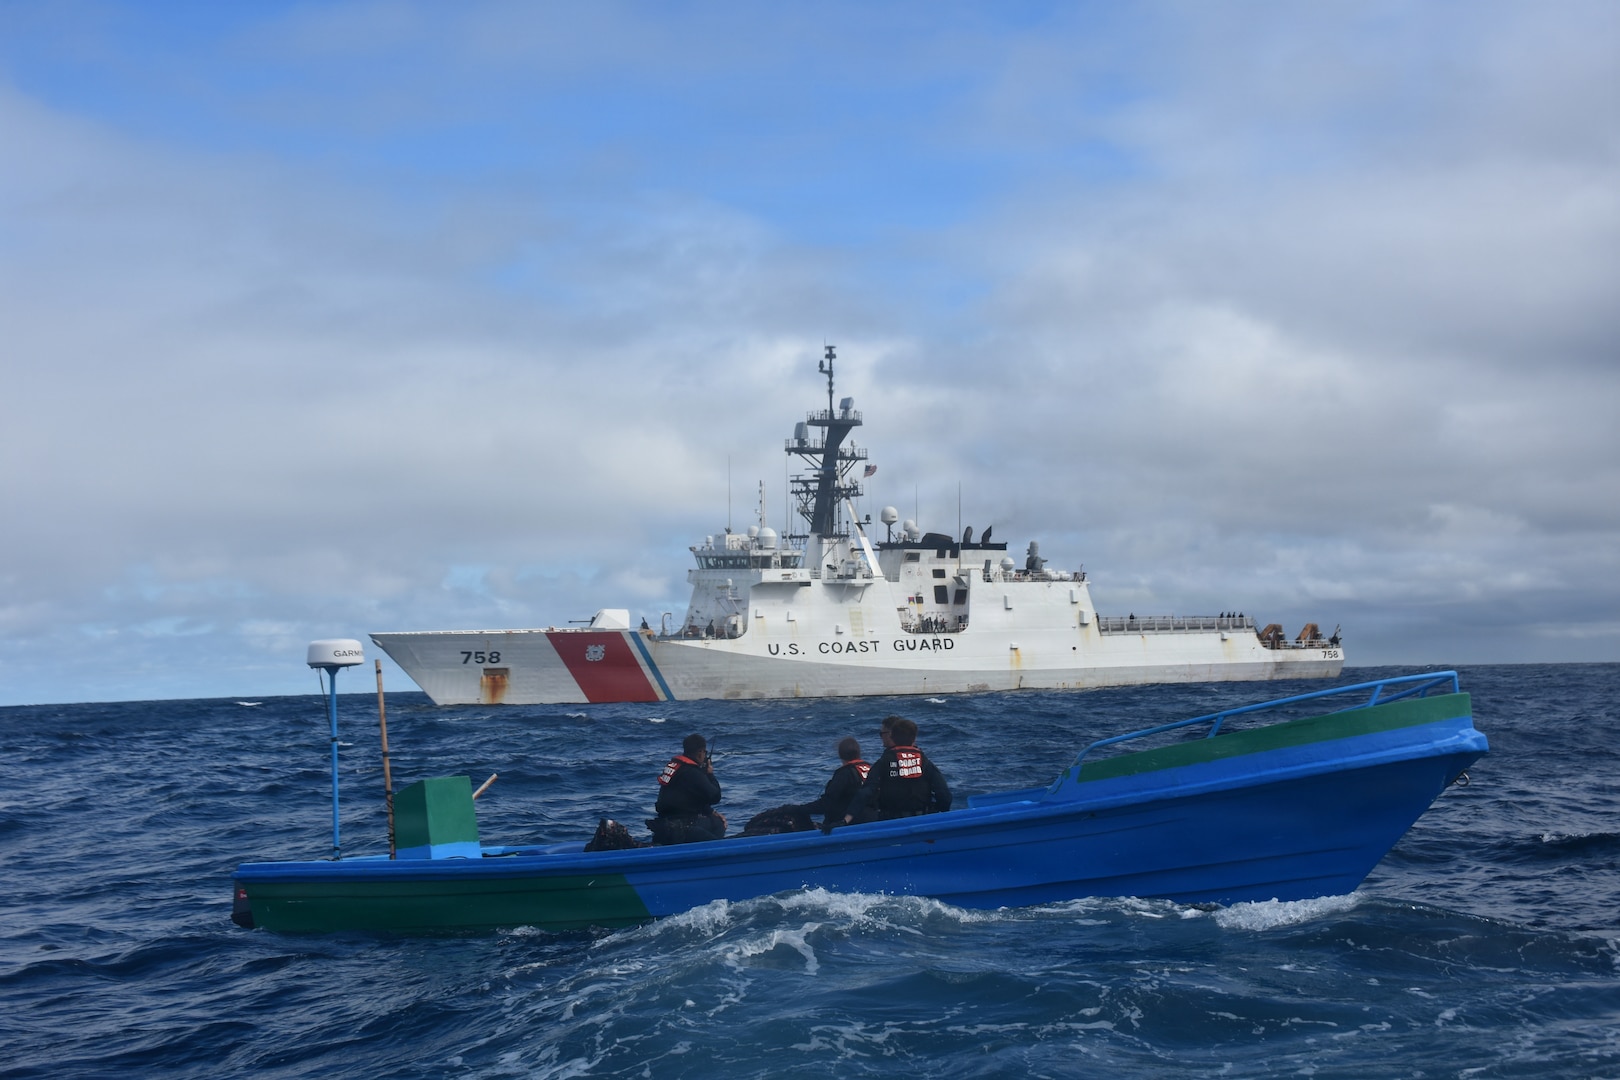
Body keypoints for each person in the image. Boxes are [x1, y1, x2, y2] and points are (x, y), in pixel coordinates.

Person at [842, 716, 951, 826]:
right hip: (922, 821)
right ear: (914, 739)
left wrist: (846, 819)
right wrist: (937, 813)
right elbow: (944, 794)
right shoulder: (925, 762)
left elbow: (866, 792)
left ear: (892, 736)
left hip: (891, 823)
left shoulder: (883, 762)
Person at [650, 733, 726, 844]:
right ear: (700, 752)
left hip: (664, 825)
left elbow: (686, 797)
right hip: (682, 828)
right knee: (718, 823)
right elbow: (715, 796)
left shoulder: (676, 767)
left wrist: (711, 811)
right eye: (705, 752)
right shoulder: (692, 772)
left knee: (713, 819)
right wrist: (710, 774)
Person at [795, 736, 871, 831]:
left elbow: (827, 804)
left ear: (840, 754)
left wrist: (800, 809)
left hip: (847, 826)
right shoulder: (870, 769)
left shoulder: (844, 774)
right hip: (871, 821)